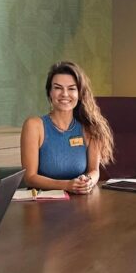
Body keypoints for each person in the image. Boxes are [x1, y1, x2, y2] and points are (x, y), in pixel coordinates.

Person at [20, 61, 114, 194]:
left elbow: (94, 171)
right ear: (50, 92)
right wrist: (67, 185)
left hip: (80, 203)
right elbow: (29, 178)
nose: (64, 94)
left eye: (71, 88)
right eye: (58, 88)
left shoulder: (90, 127)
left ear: (80, 93)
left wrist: (87, 182)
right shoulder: (34, 126)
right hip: (42, 205)